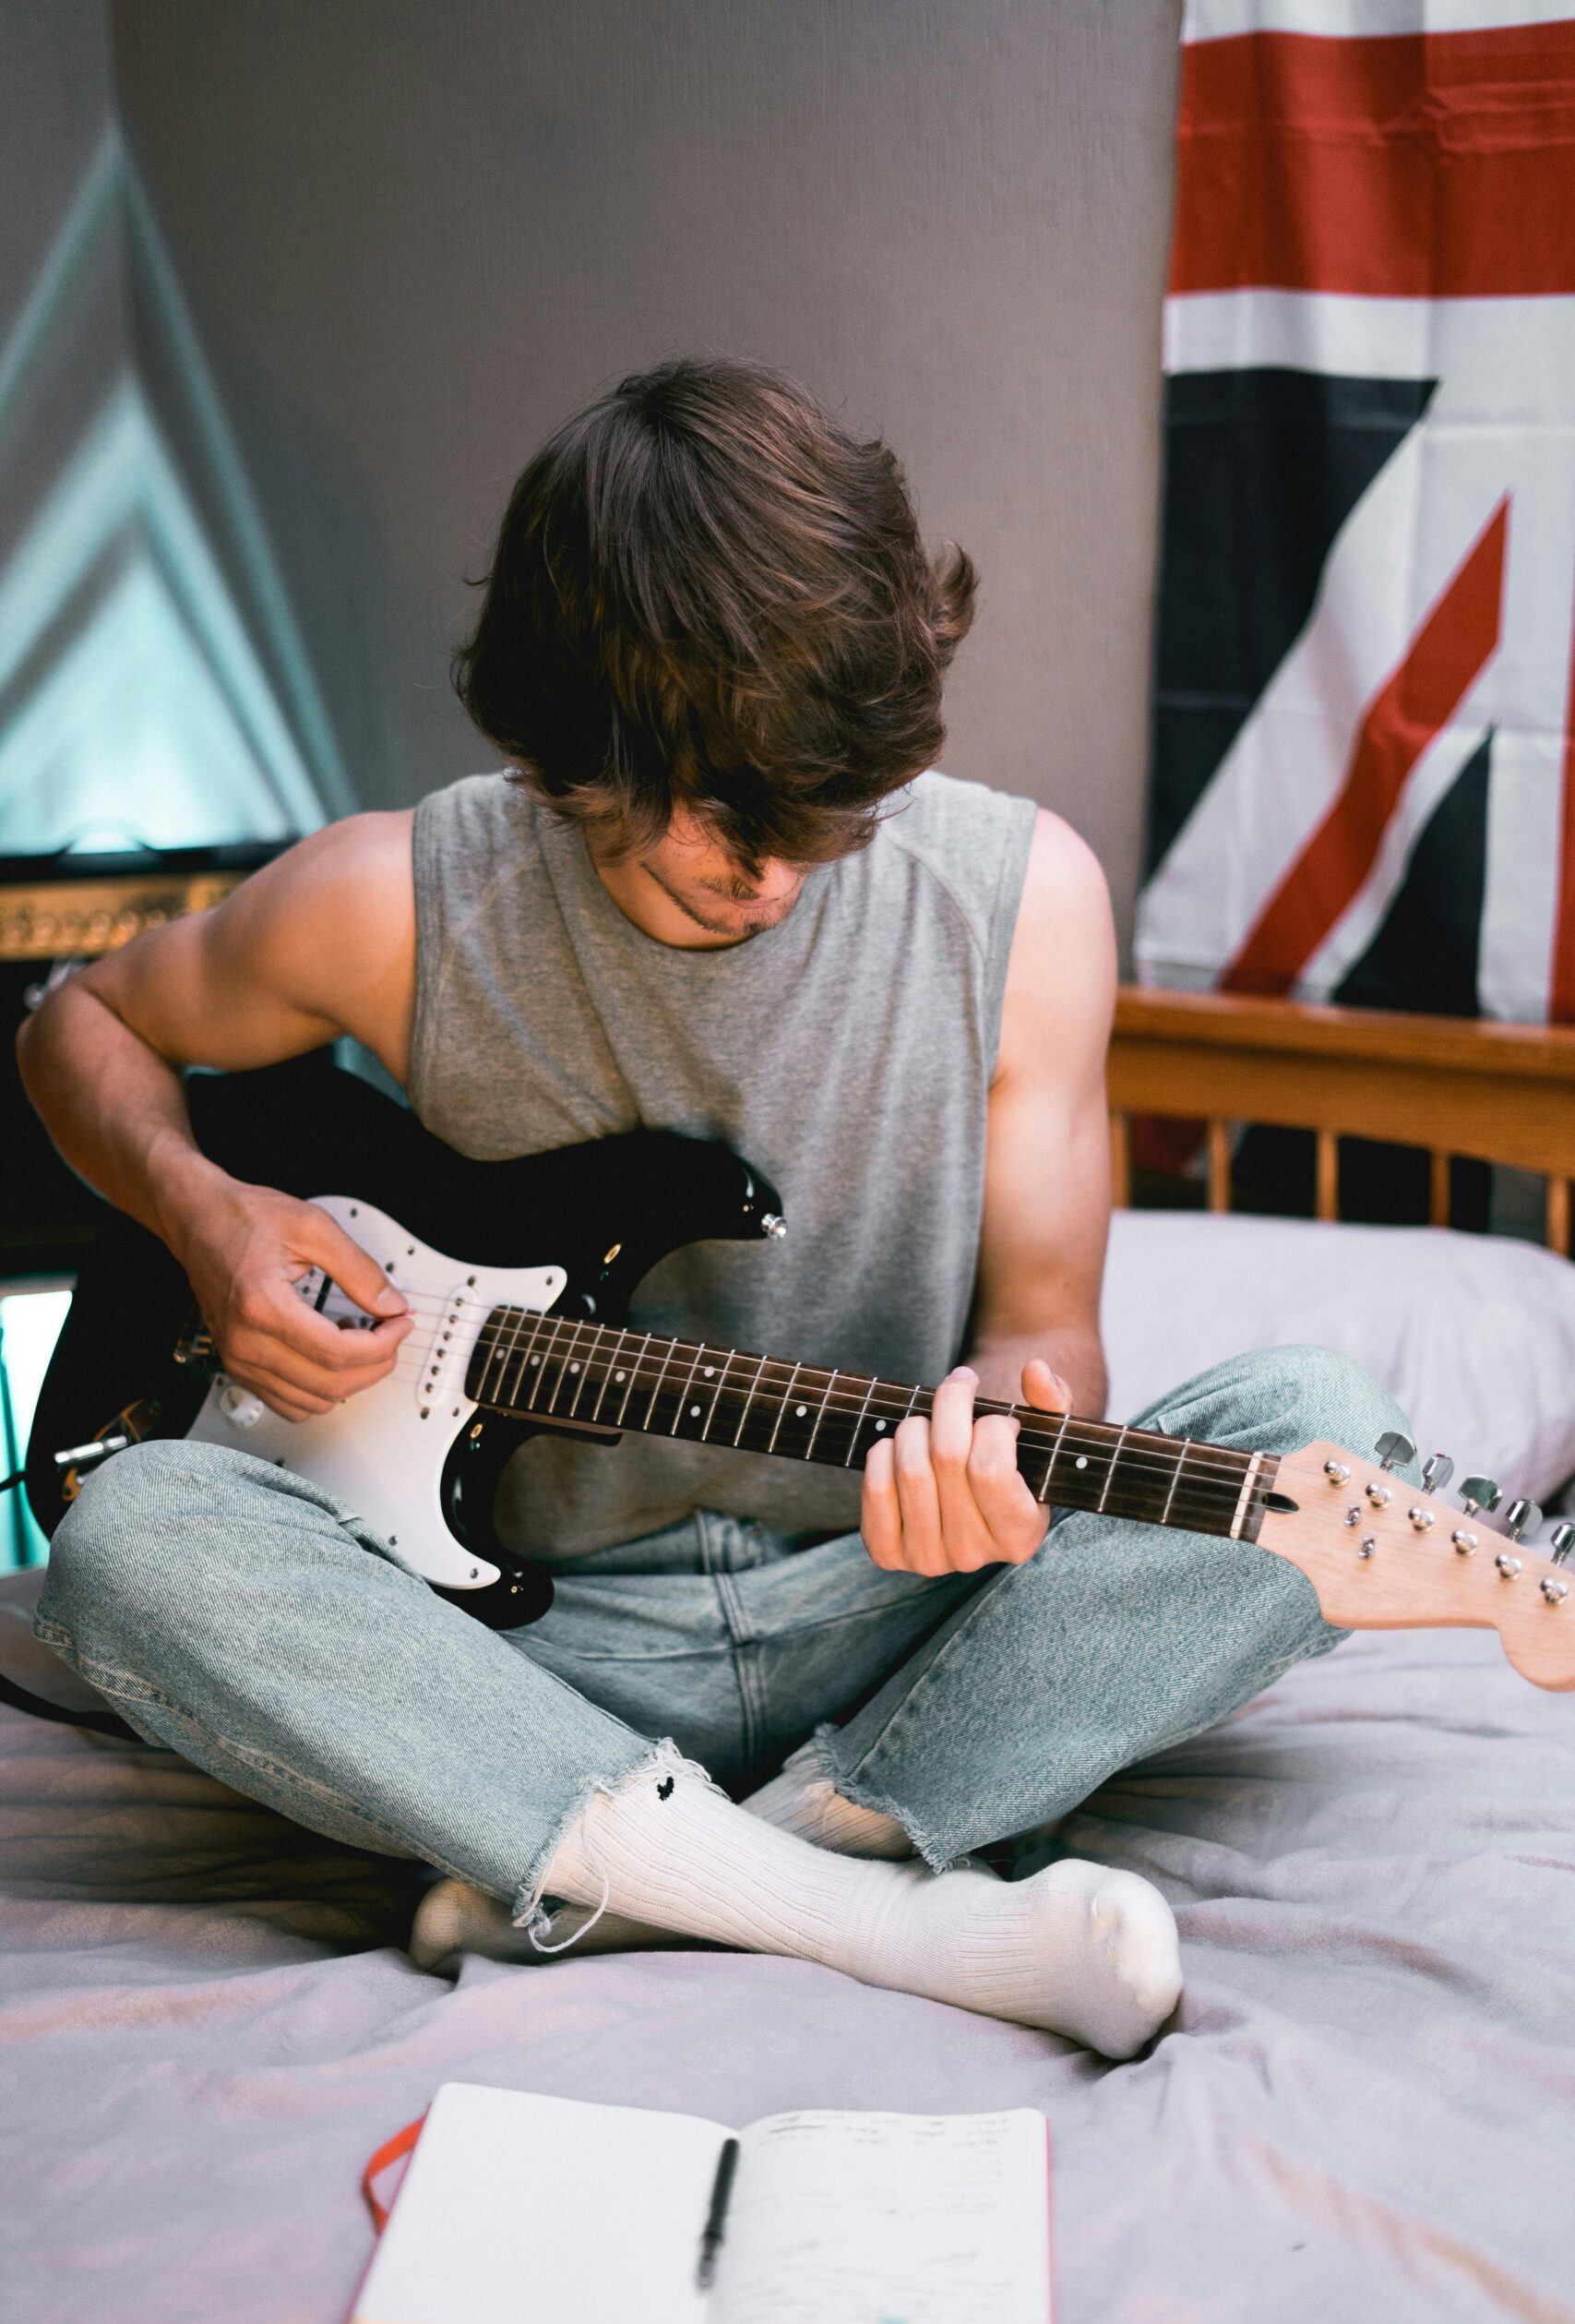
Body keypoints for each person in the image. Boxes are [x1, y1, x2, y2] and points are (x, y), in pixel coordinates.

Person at [18, 357, 1403, 2059]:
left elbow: (1050, 1332)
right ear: (573, 738)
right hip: (516, 1644)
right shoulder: (398, 903)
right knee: (130, 1541)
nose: (771, 867)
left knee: (1335, 1447)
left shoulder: (1022, 902)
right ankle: (857, 1902)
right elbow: (78, 1026)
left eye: (822, 813)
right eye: (717, 809)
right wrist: (204, 1216)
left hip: (887, 1626)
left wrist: (1005, 1450)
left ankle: (653, 1865)